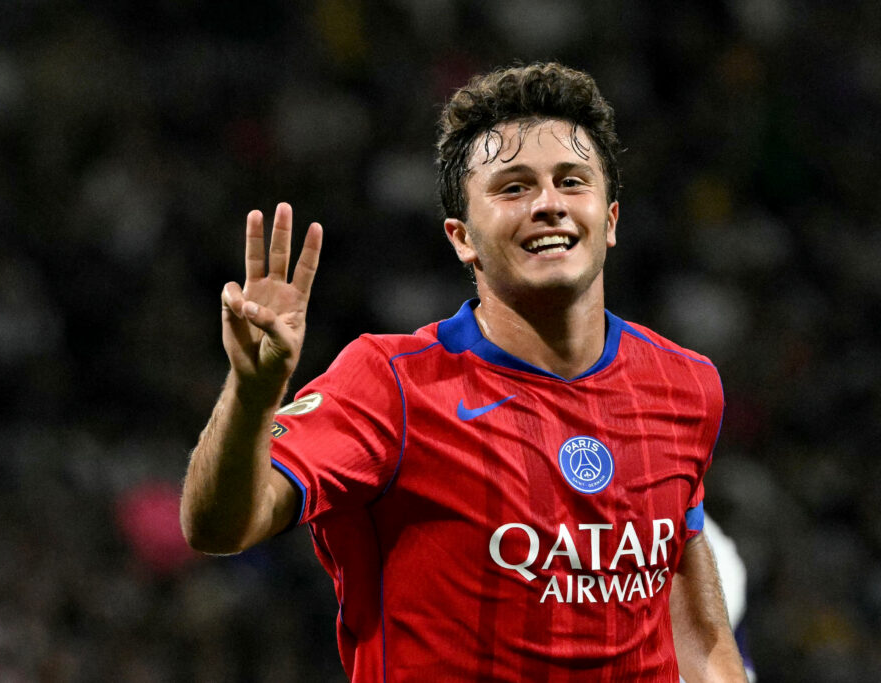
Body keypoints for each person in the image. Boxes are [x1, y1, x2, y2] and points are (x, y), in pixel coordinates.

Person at [180, 62, 748, 681]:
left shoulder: (685, 385)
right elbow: (219, 528)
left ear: (609, 219)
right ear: (462, 238)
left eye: (571, 181)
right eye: (513, 188)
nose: (549, 204)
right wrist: (251, 395)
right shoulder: (392, 384)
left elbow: (696, 633)